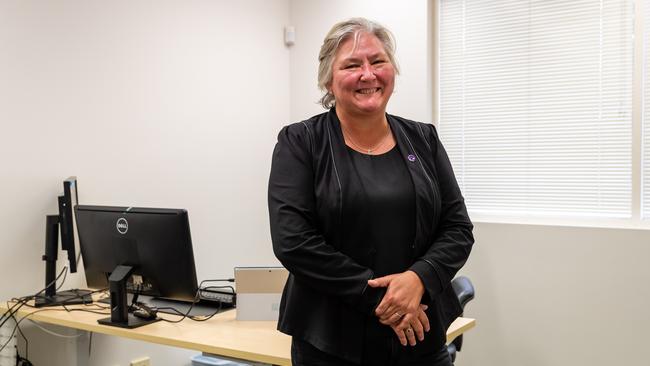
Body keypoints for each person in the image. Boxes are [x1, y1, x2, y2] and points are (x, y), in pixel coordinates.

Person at [268, 17, 474, 366]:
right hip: (331, 340)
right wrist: (384, 300)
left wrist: (418, 278)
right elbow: (294, 241)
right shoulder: (300, 142)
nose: (368, 74)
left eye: (378, 61)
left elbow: (457, 228)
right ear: (328, 80)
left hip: (420, 334)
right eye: (352, 65)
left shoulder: (424, 139)